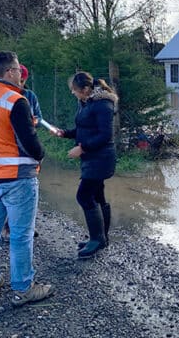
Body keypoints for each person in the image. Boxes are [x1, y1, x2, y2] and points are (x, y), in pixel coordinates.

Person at [0, 51, 54, 306]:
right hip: (19, 179)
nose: (20, 75)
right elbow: (30, 142)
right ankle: (23, 288)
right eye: (17, 70)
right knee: (21, 235)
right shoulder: (15, 101)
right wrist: (40, 155)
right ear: (8, 72)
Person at [54, 71, 118, 259]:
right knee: (98, 196)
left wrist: (82, 149)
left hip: (101, 158)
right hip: (92, 157)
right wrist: (65, 133)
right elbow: (84, 129)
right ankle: (101, 238)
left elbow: (105, 135)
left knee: (83, 196)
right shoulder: (87, 102)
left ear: (86, 89)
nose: (73, 93)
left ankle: (96, 240)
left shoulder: (103, 104)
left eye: (75, 90)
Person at [1, 63, 43, 241]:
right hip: (8, 151)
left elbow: (39, 118)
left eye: (24, 80)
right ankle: (8, 228)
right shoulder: (4, 97)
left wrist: (32, 121)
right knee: (10, 192)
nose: (21, 82)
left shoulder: (30, 96)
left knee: (28, 192)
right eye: (20, 78)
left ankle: (26, 226)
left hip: (27, 150)